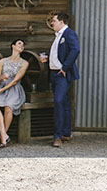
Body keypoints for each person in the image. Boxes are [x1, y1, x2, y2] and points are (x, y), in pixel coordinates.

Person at [43, 11, 80, 147]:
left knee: (58, 102)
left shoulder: (68, 33)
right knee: (63, 103)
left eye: (54, 21)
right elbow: (58, 54)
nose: (52, 23)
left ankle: (57, 137)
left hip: (61, 75)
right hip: (54, 74)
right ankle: (66, 133)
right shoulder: (58, 36)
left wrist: (65, 68)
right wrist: (47, 59)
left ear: (61, 22)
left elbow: (75, 50)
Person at [0, 38, 29, 148]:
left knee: (8, 107)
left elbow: (15, 80)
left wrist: (0, 90)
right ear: (13, 46)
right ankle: (4, 136)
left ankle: (0, 138)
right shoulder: (2, 61)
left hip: (15, 89)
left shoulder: (24, 63)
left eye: (23, 45)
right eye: (19, 43)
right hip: (2, 87)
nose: (22, 46)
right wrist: (1, 78)